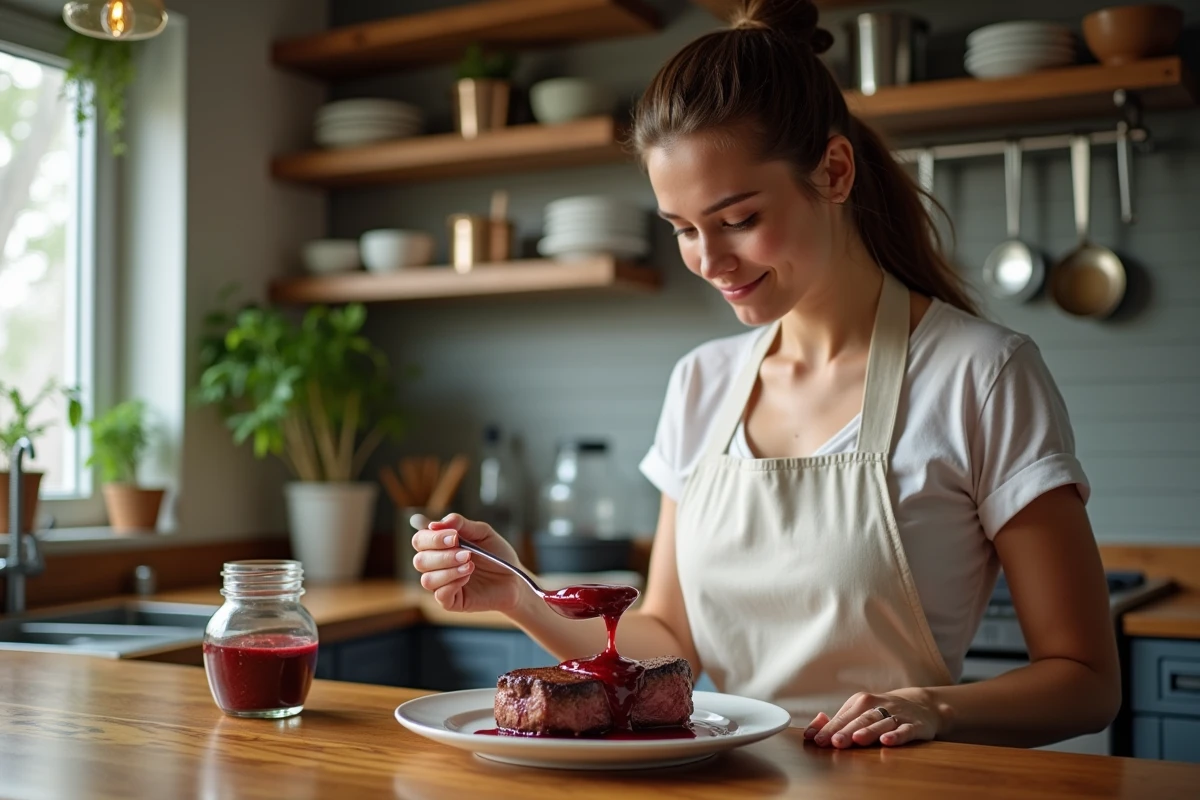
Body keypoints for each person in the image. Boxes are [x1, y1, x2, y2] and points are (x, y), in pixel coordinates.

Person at [412, 0, 1120, 749]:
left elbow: (1085, 680)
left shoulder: (981, 374)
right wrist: (519, 595)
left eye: (739, 220)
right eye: (683, 230)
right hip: (732, 778)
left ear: (835, 172)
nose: (709, 262)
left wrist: (936, 708)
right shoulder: (701, 383)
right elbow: (668, 641)